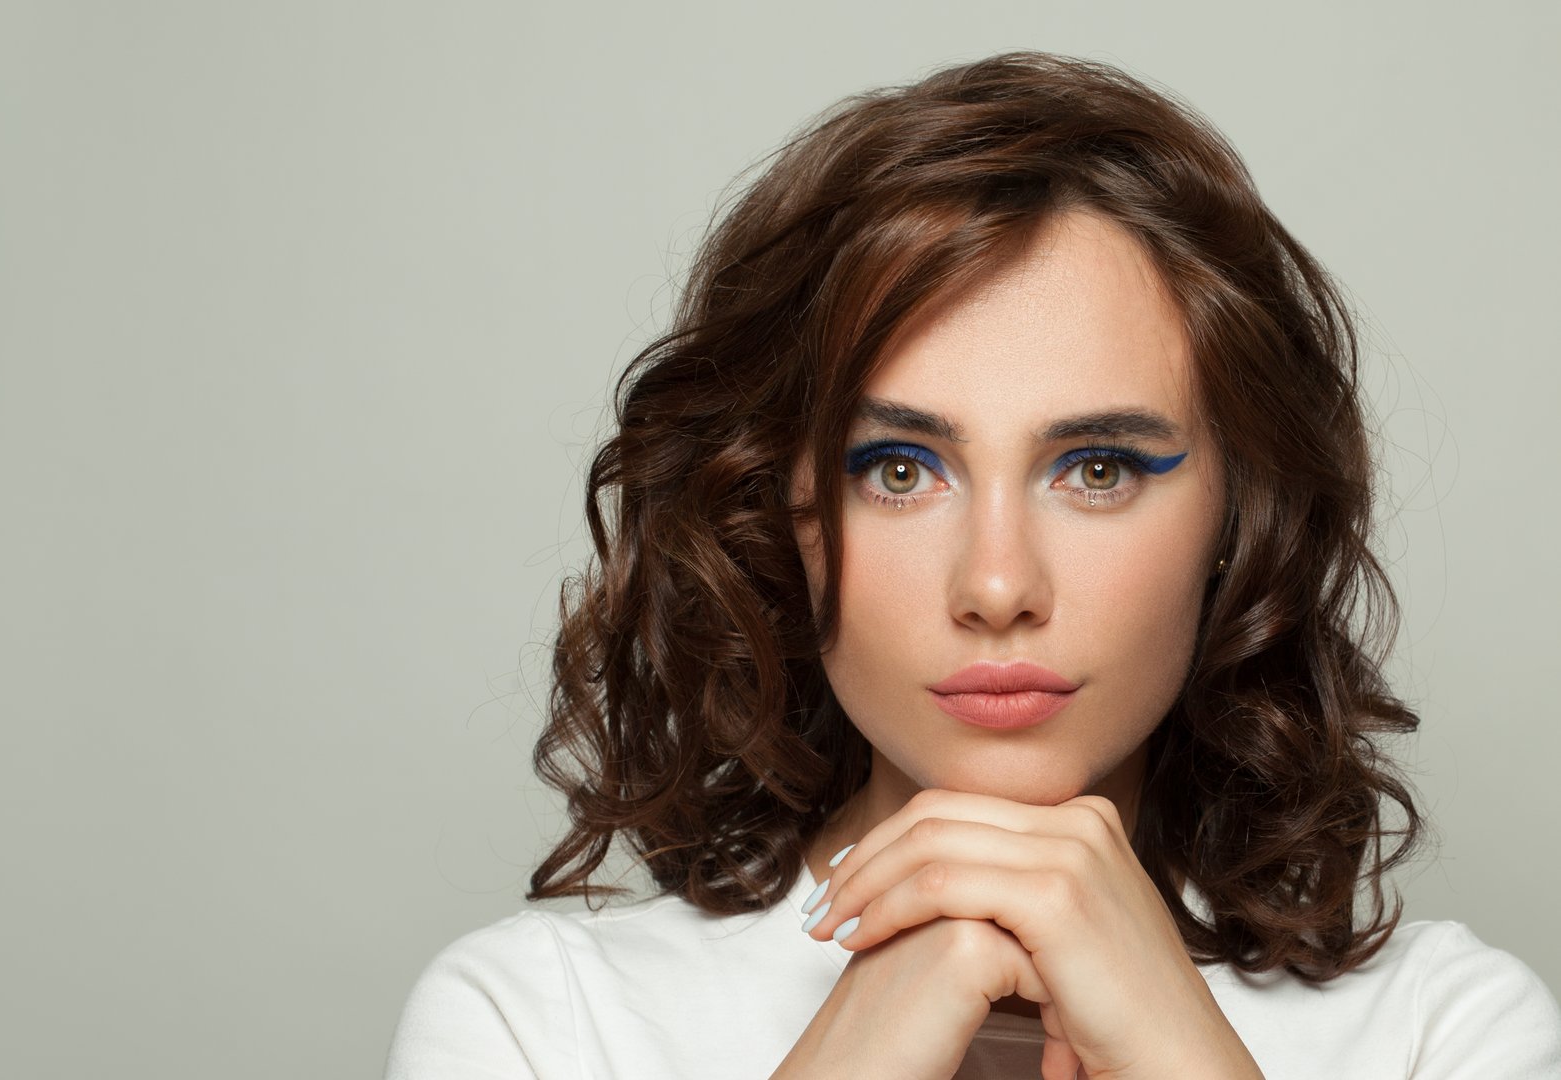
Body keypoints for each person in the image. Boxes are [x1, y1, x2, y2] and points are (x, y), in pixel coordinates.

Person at [384, 52, 1561, 1079]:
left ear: (1238, 519)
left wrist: (1180, 1054)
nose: (997, 589)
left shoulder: (1441, 1033)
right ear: (780, 514)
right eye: (899, 470)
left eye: (1098, 468)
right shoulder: (542, 1024)